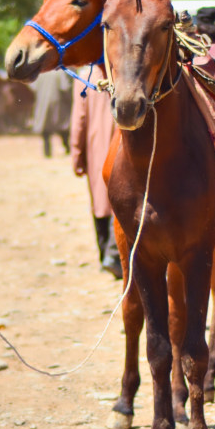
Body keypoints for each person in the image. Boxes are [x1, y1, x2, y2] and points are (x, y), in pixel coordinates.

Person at [70, 66, 122, 279]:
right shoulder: (123, 72)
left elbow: (79, 120)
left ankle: (106, 255)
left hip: (96, 149)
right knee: (118, 201)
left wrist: (77, 152)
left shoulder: (86, 76)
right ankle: (113, 255)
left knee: (100, 201)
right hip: (121, 147)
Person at [31, 72, 71, 157]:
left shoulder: (40, 73)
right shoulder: (59, 72)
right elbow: (65, 88)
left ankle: (47, 152)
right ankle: (67, 148)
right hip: (57, 102)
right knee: (63, 127)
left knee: (45, 129)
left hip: (42, 102)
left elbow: (33, 88)